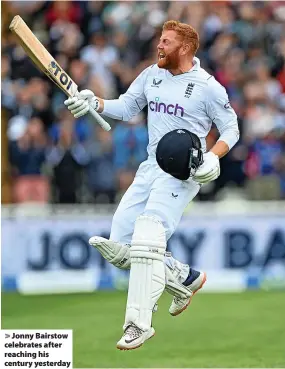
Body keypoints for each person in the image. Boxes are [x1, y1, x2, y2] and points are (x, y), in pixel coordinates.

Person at [64, 20, 239, 350]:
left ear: (185, 48)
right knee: (121, 247)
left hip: (182, 171)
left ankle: (138, 324)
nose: (159, 46)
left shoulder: (208, 86)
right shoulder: (151, 74)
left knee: (146, 234)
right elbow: (127, 107)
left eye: (166, 42)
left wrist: (214, 156)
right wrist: (94, 102)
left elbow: (231, 129)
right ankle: (183, 278)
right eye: (159, 40)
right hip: (149, 168)